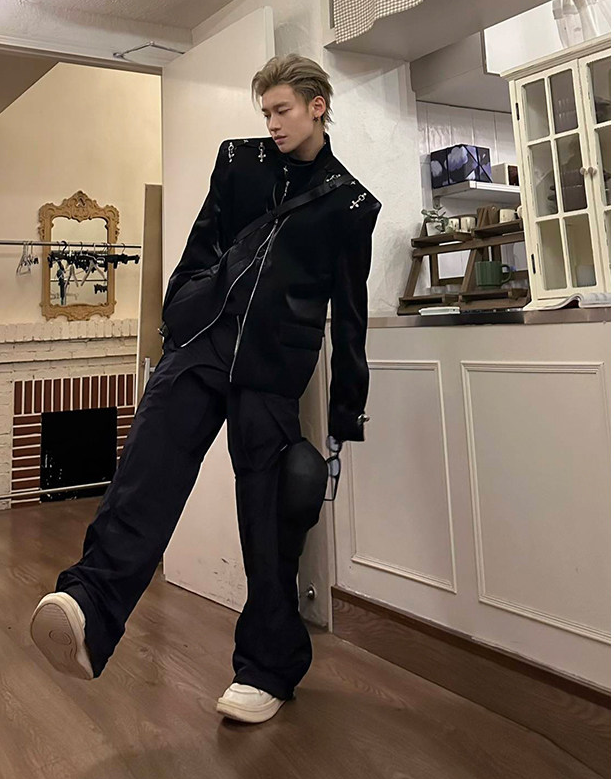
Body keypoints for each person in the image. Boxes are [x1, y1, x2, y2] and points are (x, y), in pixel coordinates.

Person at [30, 54, 382, 724]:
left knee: (267, 518)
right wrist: (178, 320)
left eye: (282, 110)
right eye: (266, 111)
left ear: (317, 106)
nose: (272, 123)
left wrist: (347, 414)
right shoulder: (239, 162)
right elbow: (199, 249)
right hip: (203, 345)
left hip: (272, 371)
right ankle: (89, 607)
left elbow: (351, 313)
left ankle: (269, 667)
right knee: (147, 467)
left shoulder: (350, 203)